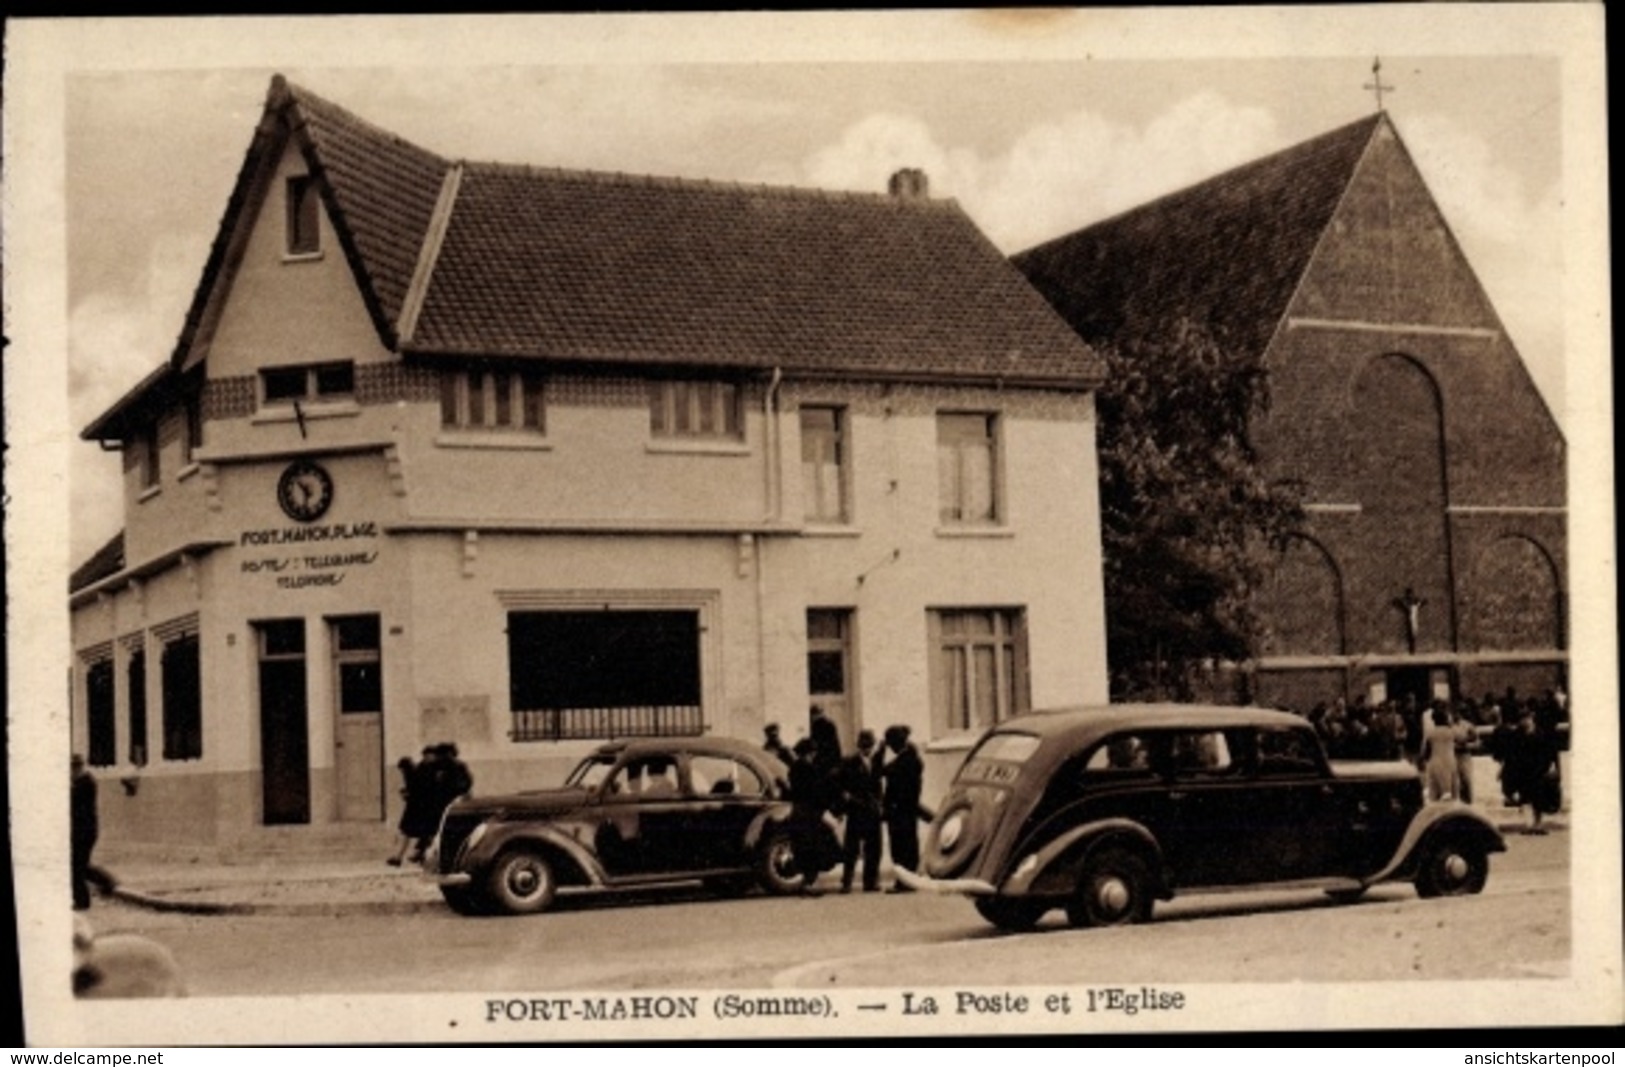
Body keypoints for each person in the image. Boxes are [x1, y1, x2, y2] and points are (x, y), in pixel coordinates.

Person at [786, 738, 836, 895]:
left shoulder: (793, 768)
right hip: (811, 813)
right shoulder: (809, 769)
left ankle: (806, 882)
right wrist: (826, 807)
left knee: (803, 847)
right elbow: (817, 792)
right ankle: (809, 883)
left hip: (798, 811)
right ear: (809, 752)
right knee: (814, 847)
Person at [837, 729, 884, 893]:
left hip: (872, 811)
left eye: (870, 746)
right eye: (864, 746)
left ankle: (870, 882)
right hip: (856, 811)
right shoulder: (849, 762)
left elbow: (878, 785)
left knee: (874, 849)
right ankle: (846, 883)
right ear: (859, 746)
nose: (867, 750)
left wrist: (879, 804)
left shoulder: (877, 761)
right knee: (851, 849)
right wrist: (847, 800)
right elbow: (840, 786)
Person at [879, 725, 924, 892]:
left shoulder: (905, 761)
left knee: (901, 847)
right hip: (906, 810)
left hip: (900, 810)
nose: (890, 747)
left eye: (890, 743)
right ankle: (908, 881)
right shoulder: (911, 758)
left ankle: (904, 882)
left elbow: (882, 772)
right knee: (909, 845)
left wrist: (880, 751)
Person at [71, 754, 116, 910]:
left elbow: (75, 806)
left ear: (77, 767)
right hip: (82, 831)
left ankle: (84, 901)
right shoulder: (80, 782)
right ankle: (106, 882)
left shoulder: (85, 783)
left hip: (84, 832)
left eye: (72, 768)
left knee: (76, 867)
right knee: (79, 866)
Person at [388, 748, 439, 866]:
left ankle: (403, 857)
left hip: (419, 809)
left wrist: (407, 794)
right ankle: (406, 857)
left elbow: (418, 790)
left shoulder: (424, 770)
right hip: (420, 809)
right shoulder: (425, 769)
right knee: (422, 834)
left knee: (416, 834)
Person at [1419, 703, 1459, 802]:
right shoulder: (1451, 732)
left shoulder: (1430, 733)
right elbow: (1464, 738)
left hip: (1435, 761)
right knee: (1452, 793)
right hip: (1450, 761)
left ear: (1434, 720)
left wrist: (1422, 761)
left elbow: (1424, 751)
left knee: (1434, 793)